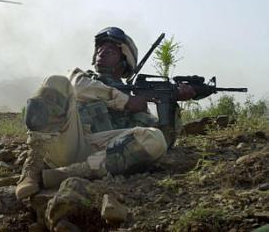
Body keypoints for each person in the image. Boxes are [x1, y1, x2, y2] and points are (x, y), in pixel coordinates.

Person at [15, 27, 196, 200]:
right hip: (71, 144)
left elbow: (163, 141)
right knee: (54, 81)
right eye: (100, 48)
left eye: (111, 51)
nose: (102, 52)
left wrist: (171, 102)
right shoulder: (82, 79)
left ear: (124, 62)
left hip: (105, 156)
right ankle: (32, 168)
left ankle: (65, 174)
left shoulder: (138, 107)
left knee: (155, 138)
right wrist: (124, 101)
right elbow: (77, 87)